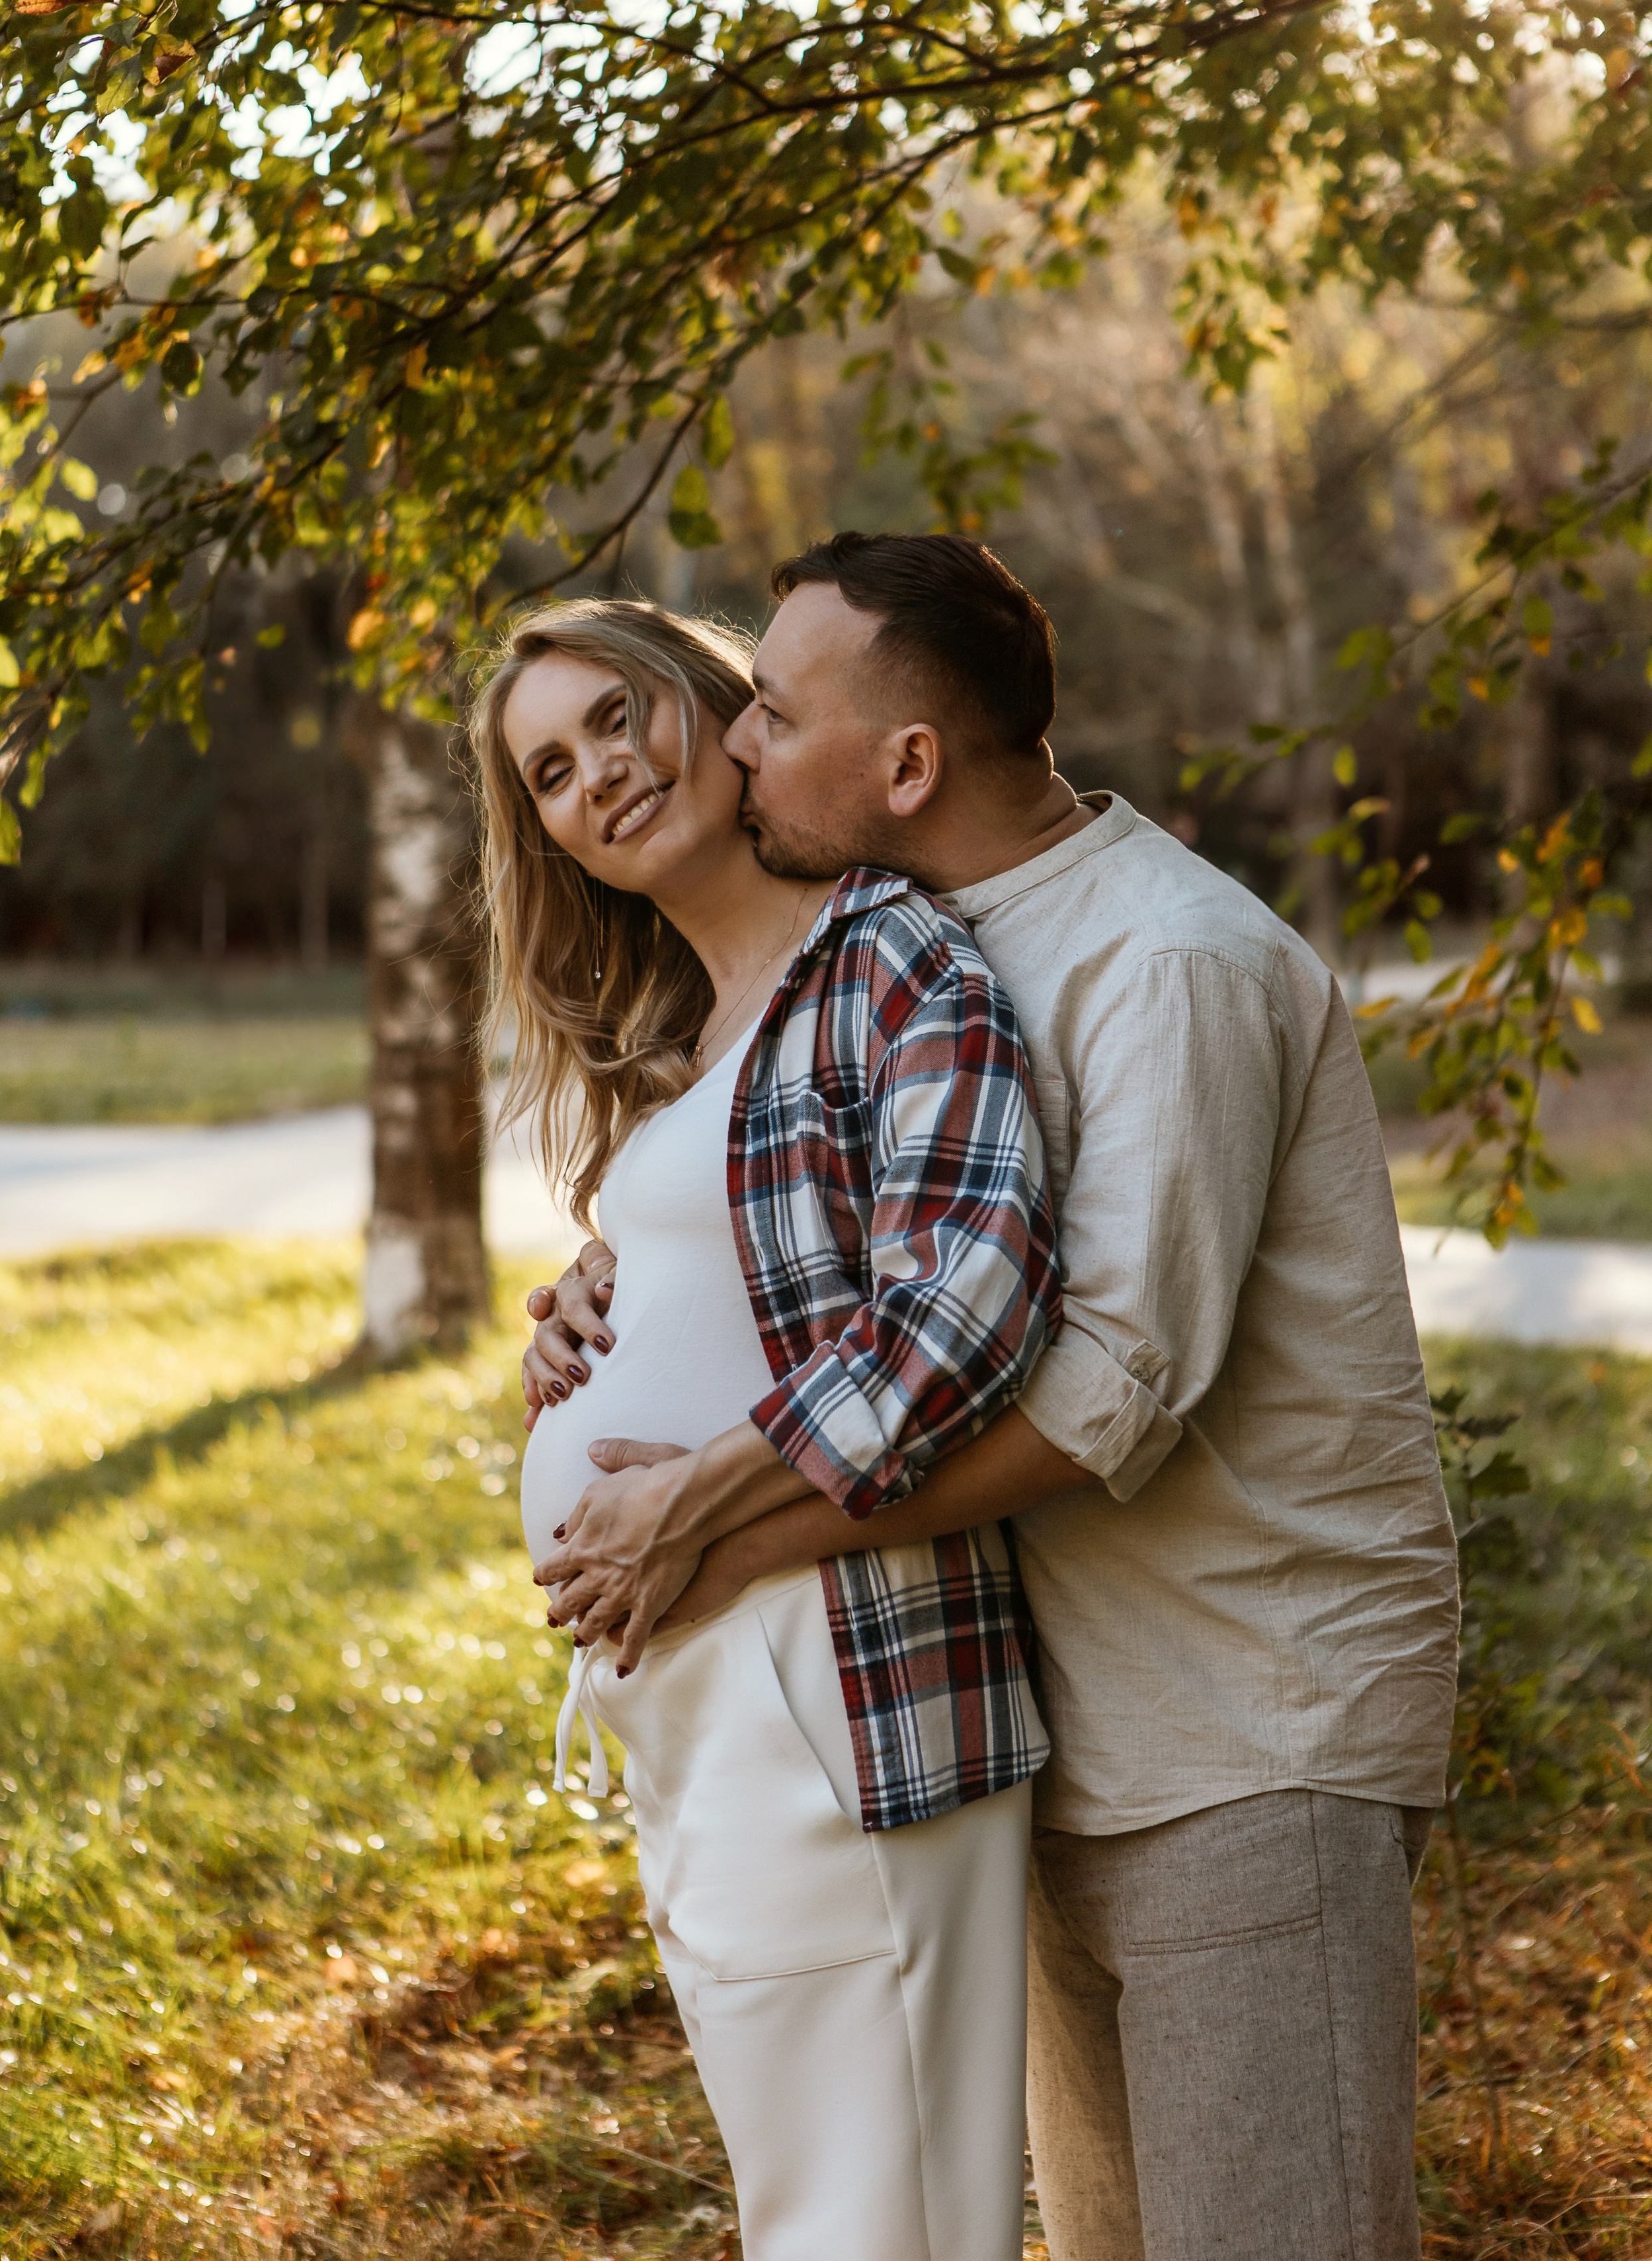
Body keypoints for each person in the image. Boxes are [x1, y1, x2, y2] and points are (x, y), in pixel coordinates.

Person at [528, 534, 1463, 2261]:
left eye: (772, 716)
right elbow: (835, 1233)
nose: (727, 748)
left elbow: (1103, 1400)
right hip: (1051, 1735)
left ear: (906, 765)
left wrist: (717, 1527)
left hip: (1249, 1727)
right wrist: (618, 1282)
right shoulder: (930, 939)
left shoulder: (1167, 961)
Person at [468, 595, 1067, 2261]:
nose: (595, 776)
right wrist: (593, 1319)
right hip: (707, 1693)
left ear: (716, 710)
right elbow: (760, 1294)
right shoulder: (692, 1036)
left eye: (615, 719)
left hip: (845, 1677)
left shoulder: (887, 956)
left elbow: (964, 1304)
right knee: (805, 2204)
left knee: (885, 2218)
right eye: (547, 773)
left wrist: (694, 1497)